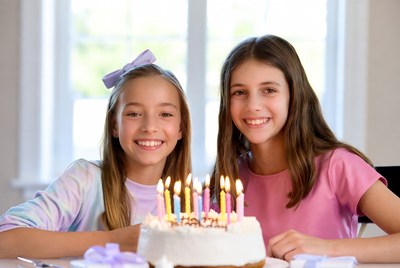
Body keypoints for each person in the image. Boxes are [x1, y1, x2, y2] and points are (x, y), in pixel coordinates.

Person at [211, 34, 400, 263]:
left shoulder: (337, 166)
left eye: (269, 90)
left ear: (294, 94)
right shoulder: (228, 176)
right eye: (239, 92)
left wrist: (325, 248)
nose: (253, 106)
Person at [0, 49, 192, 258]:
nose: (149, 126)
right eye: (134, 114)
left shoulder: (193, 200)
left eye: (165, 114)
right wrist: (112, 241)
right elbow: (6, 239)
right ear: (114, 125)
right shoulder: (86, 180)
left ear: (181, 127)